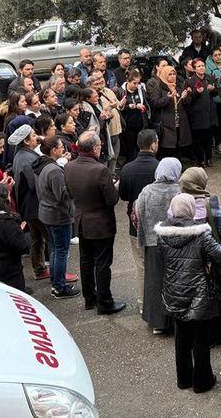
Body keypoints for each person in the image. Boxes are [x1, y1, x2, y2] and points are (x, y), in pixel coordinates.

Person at [156, 193, 221, 394]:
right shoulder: (201, 234)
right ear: (191, 210)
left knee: (181, 337)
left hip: (174, 291)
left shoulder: (163, 234)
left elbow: (162, 260)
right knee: (200, 338)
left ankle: (183, 379)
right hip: (198, 292)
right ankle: (202, 381)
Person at [64, 132, 125, 315]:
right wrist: (115, 187)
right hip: (101, 224)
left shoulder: (69, 167)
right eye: (99, 146)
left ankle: (89, 298)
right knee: (102, 263)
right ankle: (105, 302)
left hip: (81, 221)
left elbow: (70, 192)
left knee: (86, 261)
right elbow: (111, 199)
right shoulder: (100, 170)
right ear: (94, 148)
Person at [179, 167, 221, 346]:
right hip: (211, 264)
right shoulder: (211, 205)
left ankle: (198, 339)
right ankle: (219, 336)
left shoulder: (177, 204)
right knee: (216, 299)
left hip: (187, 265)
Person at [135, 157, 182, 333]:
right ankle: (175, 320)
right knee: (175, 281)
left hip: (153, 242)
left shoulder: (147, 191)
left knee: (154, 282)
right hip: (176, 242)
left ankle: (157, 323)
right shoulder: (180, 190)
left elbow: (138, 212)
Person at [118, 129, 160, 312]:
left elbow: (123, 195)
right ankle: (160, 301)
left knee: (141, 265)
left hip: (136, 224)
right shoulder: (159, 168)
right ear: (153, 144)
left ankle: (144, 303)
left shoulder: (127, 169)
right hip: (158, 224)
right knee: (159, 263)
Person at [35, 136, 80, 299]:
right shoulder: (54, 171)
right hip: (58, 215)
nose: (63, 149)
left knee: (55, 249)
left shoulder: (43, 165)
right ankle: (59, 287)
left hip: (47, 213)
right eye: (61, 147)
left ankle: (56, 282)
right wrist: (74, 185)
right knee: (61, 251)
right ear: (54, 150)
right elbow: (62, 194)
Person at [10, 124, 50, 281]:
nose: (37, 138)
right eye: (33, 135)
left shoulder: (21, 154)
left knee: (37, 238)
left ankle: (39, 269)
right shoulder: (27, 159)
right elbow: (35, 184)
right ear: (26, 141)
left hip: (28, 207)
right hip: (35, 206)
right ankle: (58, 276)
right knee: (52, 241)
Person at [147, 65, 192, 159]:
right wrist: (168, 98)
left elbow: (188, 103)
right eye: (170, 74)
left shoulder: (179, 86)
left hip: (180, 122)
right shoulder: (159, 87)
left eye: (174, 74)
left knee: (179, 145)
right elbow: (155, 103)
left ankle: (177, 163)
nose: (172, 76)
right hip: (166, 123)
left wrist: (185, 97)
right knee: (167, 147)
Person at [185, 58, 217, 167]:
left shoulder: (209, 78)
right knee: (198, 139)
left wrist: (213, 89)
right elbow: (187, 100)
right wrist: (196, 92)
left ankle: (209, 158)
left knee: (209, 137)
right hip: (197, 114)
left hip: (210, 113)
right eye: (198, 66)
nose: (201, 68)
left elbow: (216, 93)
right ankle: (200, 159)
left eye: (203, 65)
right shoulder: (190, 81)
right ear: (194, 69)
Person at [121, 68, 150, 162]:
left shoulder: (141, 90)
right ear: (128, 81)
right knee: (130, 147)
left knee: (140, 146)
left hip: (140, 123)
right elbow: (119, 108)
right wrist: (129, 106)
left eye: (138, 83)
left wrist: (143, 107)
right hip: (127, 124)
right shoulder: (121, 91)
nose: (136, 85)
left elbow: (146, 103)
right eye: (134, 83)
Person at [205, 47, 221, 155]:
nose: (218, 57)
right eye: (215, 55)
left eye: (219, 54)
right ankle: (218, 143)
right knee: (217, 122)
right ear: (211, 57)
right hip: (215, 99)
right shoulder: (207, 68)